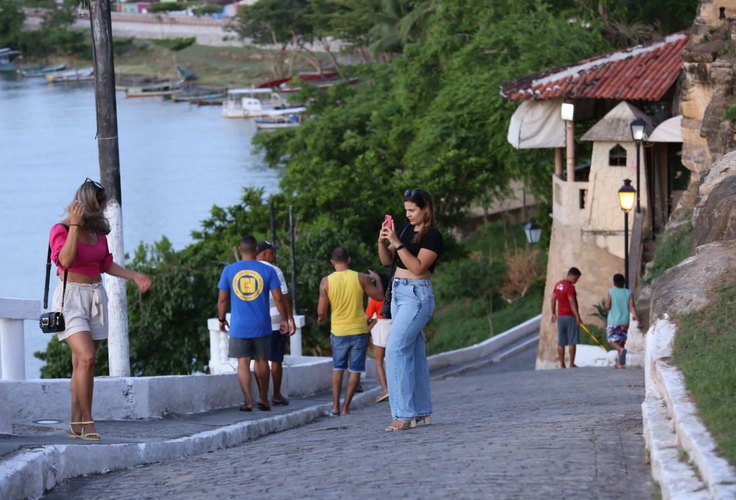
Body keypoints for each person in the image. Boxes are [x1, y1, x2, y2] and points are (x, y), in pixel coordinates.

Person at [50, 178, 151, 441]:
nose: (104, 209)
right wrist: (73, 225)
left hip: (96, 296)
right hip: (70, 298)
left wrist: (135, 276)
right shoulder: (60, 229)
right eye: (101, 205)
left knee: (83, 364)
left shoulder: (98, 233)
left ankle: (76, 422)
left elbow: (105, 264)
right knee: (86, 358)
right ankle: (87, 421)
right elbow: (65, 260)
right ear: (90, 205)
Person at [378, 188, 443, 432]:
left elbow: (416, 267)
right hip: (398, 293)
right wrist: (384, 240)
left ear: (425, 208)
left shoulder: (433, 236)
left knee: (394, 351)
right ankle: (422, 410)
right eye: (406, 210)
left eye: (413, 210)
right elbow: (387, 261)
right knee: (414, 353)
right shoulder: (405, 230)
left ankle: (403, 415)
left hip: (417, 296)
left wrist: (397, 242)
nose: (408, 215)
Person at [218, 236, 288, 412]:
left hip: (239, 325)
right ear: (256, 249)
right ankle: (264, 398)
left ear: (240, 249)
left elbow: (222, 299)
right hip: (262, 325)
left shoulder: (229, 270)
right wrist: (285, 319)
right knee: (262, 361)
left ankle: (248, 400)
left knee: (243, 362)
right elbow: (279, 298)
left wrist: (221, 319)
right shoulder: (268, 271)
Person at [317, 246, 384, 416]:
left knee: (338, 368)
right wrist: (377, 280)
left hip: (339, 331)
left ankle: (335, 407)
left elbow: (321, 311)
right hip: (359, 330)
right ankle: (346, 407)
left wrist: (321, 318)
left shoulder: (326, 281)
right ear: (349, 260)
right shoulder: (360, 278)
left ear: (332, 262)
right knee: (355, 370)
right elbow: (379, 296)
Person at [256, 240, 296, 405]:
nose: (274, 256)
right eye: (272, 253)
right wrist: (288, 318)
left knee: (259, 360)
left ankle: (262, 395)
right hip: (274, 321)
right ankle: (277, 395)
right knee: (275, 359)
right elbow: (283, 297)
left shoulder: (248, 270)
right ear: (265, 253)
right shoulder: (275, 271)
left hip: (256, 322)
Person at [365, 273, 391, 403]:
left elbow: (367, 317)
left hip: (381, 329)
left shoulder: (375, 299)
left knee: (379, 362)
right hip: (393, 327)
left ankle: (385, 389)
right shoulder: (392, 296)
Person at [550, 267, 583, 369]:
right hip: (570, 316)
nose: (576, 281)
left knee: (561, 341)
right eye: (576, 278)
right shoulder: (570, 288)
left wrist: (553, 313)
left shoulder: (558, 285)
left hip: (561, 316)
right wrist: (577, 316)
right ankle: (572, 364)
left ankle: (562, 364)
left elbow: (552, 299)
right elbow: (572, 302)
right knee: (572, 341)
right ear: (571, 275)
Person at [604, 273, 637, 369]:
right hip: (625, 321)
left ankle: (621, 350)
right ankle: (619, 364)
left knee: (611, 340)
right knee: (621, 341)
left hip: (613, 321)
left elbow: (607, 306)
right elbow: (631, 306)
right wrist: (634, 315)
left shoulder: (611, 292)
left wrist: (607, 306)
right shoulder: (628, 292)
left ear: (614, 282)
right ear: (624, 282)